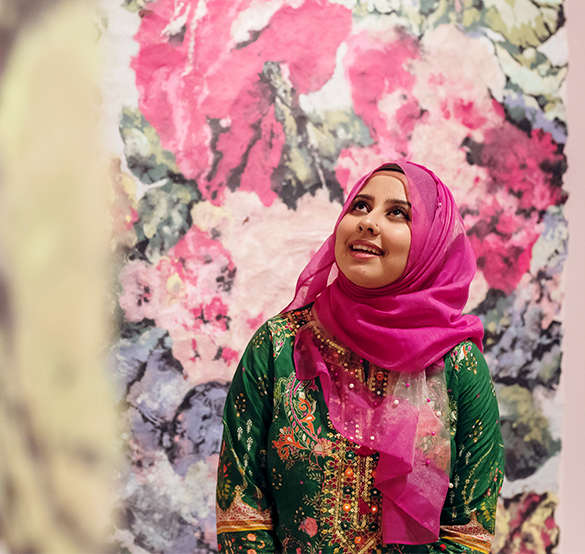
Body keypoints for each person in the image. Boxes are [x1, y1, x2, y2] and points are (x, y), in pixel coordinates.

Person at [216, 162, 504, 554]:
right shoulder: (279, 346)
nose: (368, 222)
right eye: (360, 206)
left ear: (431, 241)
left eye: (398, 213)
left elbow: (469, 533)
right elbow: (241, 513)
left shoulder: (458, 364)